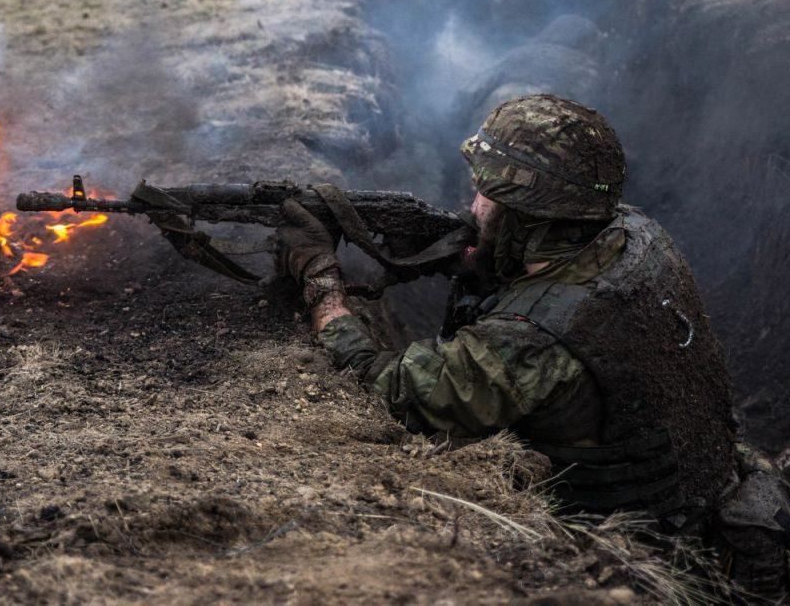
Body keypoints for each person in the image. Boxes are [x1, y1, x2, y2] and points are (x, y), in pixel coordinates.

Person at [276, 94, 790, 601]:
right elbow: (528, 267)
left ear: (529, 216)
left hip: (638, 556)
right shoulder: (635, 233)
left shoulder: (531, 342)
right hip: (715, 498)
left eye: (485, 194)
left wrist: (321, 282)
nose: (472, 204)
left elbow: (390, 388)